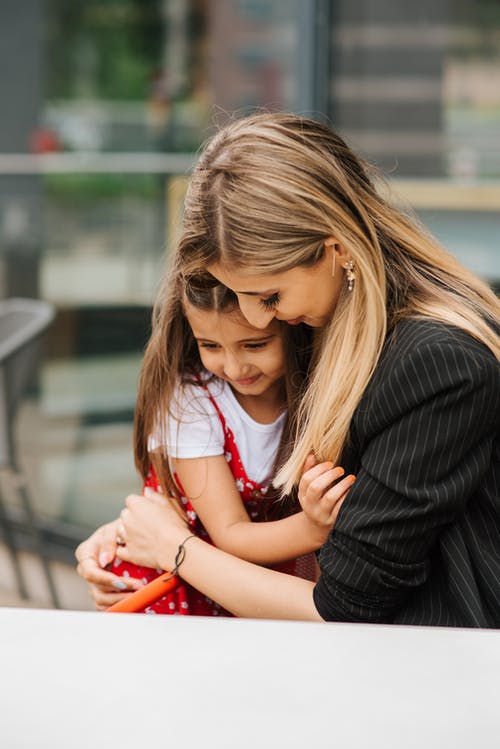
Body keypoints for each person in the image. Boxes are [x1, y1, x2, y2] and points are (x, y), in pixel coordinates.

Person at [79, 111, 500, 627]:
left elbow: (341, 610)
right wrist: (135, 534)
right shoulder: (325, 315)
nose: (256, 318)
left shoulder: (439, 363)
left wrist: (177, 549)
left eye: (268, 295)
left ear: (336, 249)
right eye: (239, 296)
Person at [77, 272, 353, 612]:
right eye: (210, 345)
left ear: (293, 327)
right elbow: (230, 533)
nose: (235, 367)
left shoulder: (317, 395)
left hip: (246, 586)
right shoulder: (192, 400)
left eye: (254, 344)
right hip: (173, 591)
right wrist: (313, 529)